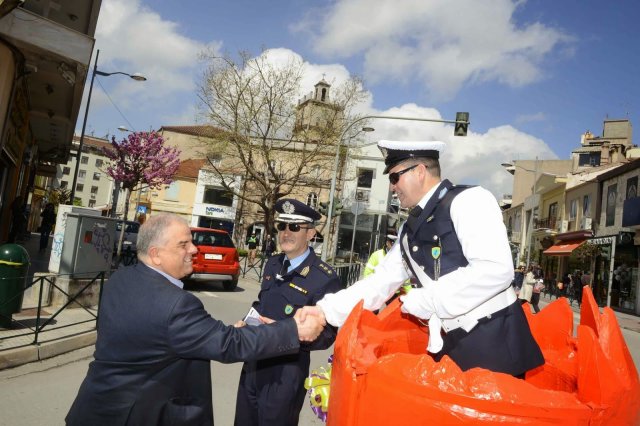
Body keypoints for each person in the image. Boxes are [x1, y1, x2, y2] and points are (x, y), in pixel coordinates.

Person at [297, 140, 543, 378]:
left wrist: (429, 298)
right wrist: (324, 311)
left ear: (420, 171)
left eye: (395, 177)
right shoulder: (408, 229)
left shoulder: (469, 200)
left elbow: (495, 270)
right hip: (450, 347)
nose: (392, 187)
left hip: (495, 347)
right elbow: (380, 282)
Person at [66, 214, 324, 426]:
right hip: (137, 415)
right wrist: (294, 330)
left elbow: (160, 335)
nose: (194, 249)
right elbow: (229, 344)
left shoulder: (120, 279)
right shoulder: (175, 304)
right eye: (183, 245)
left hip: (95, 408)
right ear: (156, 254)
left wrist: (210, 332)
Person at [234, 199, 342, 426]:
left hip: (285, 372)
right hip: (253, 363)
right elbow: (262, 302)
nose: (285, 233)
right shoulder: (273, 264)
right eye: (281, 226)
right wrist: (246, 321)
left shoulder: (324, 278)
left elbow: (328, 335)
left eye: (294, 227)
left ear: (311, 233)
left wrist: (288, 332)